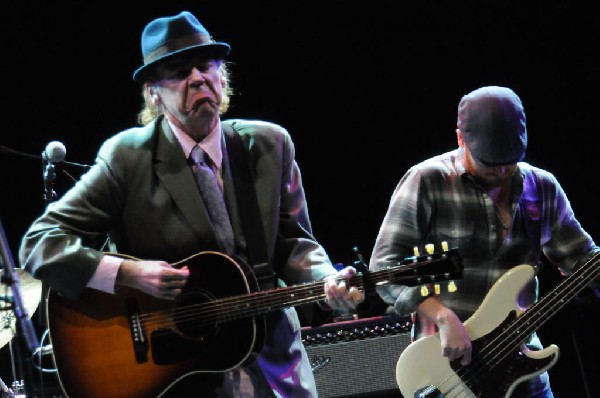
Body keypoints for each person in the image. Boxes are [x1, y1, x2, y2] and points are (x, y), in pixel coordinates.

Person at [18, 10, 363, 398]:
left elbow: (295, 243)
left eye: (206, 65)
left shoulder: (269, 144)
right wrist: (129, 274)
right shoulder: (128, 156)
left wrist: (325, 278)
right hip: (180, 371)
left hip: (273, 358)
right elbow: (40, 243)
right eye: (180, 71)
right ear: (153, 92)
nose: (198, 78)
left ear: (222, 76)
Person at [369, 85, 599, 397]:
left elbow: (582, 259)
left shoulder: (542, 186)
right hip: (447, 368)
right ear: (461, 138)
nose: (502, 171)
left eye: (510, 160)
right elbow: (385, 269)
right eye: (490, 162)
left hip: (520, 361)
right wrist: (442, 316)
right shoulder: (427, 180)